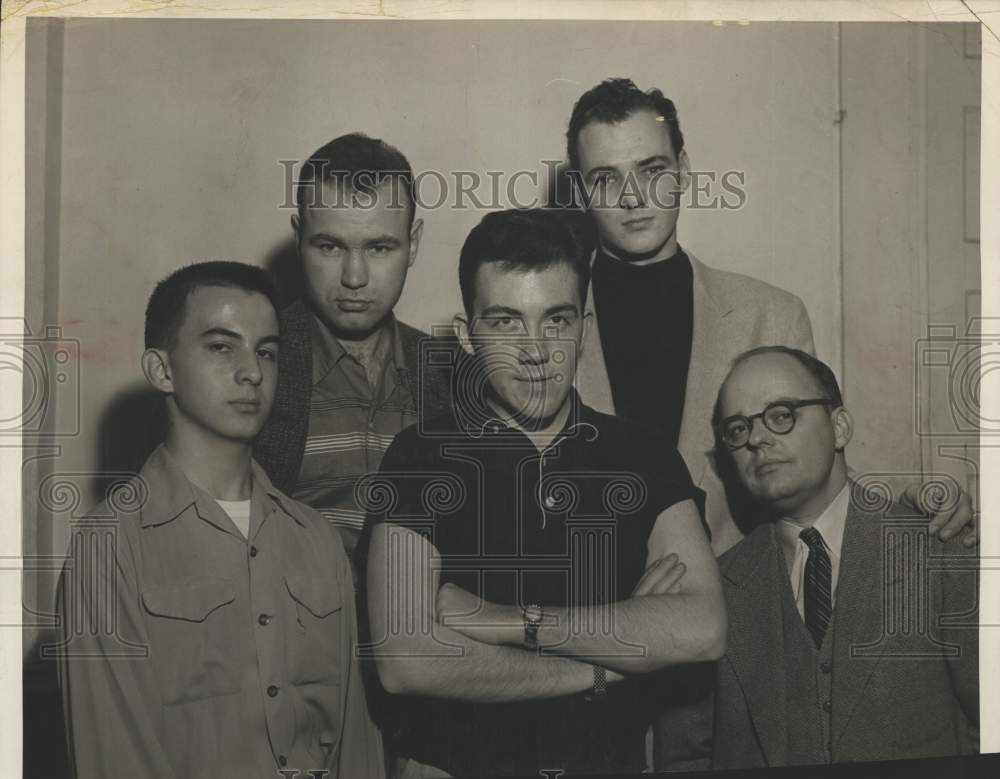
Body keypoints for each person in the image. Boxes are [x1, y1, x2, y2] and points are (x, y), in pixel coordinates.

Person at [360, 209, 725, 778]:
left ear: (585, 323)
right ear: (466, 335)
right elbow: (406, 660)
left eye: (556, 320)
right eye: (506, 322)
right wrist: (615, 661)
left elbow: (701, 629)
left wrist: (507, 622)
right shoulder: (418, 457)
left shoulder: (643, 454)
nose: (536, 349)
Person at [565, 77, 976, 554]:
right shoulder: (542, 322)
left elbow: (815, 471)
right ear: (579, 192)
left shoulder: (771, 313)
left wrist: (907, 502)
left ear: (684, 170)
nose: (632, 197)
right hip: (588, 607)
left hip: (744, 613)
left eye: (651, 170)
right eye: (605, 178)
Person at [57, 262, 384, 779]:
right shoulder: (110, 546)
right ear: (162, 370)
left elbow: (357, 750)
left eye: (267, 351)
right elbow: (113, 758)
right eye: (221, 346)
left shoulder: (316, 539)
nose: (252, 371)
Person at [656, 346, 978, 769]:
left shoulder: (938, 546)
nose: (755, 439)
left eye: (781, 414)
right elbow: (684, 759)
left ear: (840, 426)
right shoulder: (713, 587)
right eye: (737, 428)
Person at [255, 133, 451, 559]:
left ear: (413, 243)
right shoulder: (252, 367)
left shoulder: (457, 376)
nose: (355, 278)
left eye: (379, 248)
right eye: (330, 247)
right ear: (298, 237)